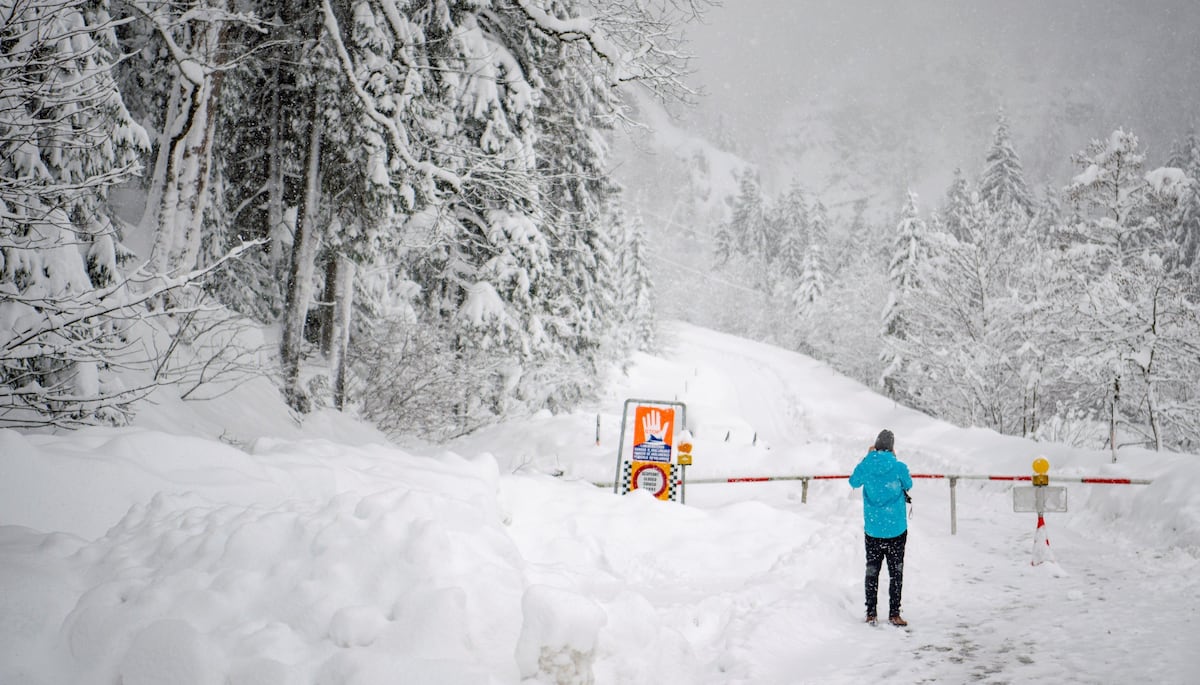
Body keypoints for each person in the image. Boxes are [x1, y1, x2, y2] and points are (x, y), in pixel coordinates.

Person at [849, 429, 913, 626]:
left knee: (872, 571)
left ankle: (871, 613)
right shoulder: (898, 466)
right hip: (896, 530)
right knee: (896, 572)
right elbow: (908, 484)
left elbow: (853, 481)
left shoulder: (867, 465)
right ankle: (894, 613)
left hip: (874, 530)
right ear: (892, 447)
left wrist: (869, 457)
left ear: (875, 445)